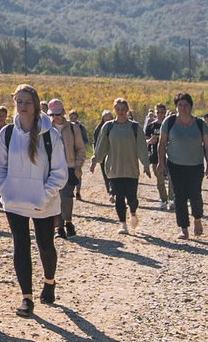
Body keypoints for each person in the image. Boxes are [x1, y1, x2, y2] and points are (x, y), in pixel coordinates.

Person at [0, 84, 68, 314]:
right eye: (19, 102)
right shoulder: (8, 133)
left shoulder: (50, 135)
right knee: (21, 246)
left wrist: (44, 195)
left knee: (45, 245)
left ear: (35, 105)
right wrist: (6, 190)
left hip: (44, 203)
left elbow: (59, 172)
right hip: (15, 202)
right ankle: (27, 298)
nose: (23, 107)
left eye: (27, 102)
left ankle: (49, 282)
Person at [160, 90, 208, 239]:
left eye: (185, 105)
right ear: (176, 106)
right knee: (179, 196)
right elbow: (162, 143)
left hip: (195, 165)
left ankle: (197, 219)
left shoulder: (199, 124)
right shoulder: (169, 122)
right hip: (175, 164)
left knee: (195, 195)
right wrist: (161, 162)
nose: (182, 108)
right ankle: (183, 228)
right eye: (180, 105)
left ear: (191, 106)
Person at [91, 94, 144, 233]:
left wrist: (146, 164)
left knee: (132, 198)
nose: (120, 111)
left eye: (123, 109)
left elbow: (141, 147)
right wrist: (94, 161)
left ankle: (133, 212)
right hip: (114, 169)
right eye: (118, 109)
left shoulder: (135, 127)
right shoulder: (108, 127)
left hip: (131, 169)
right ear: (114, 110)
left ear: (127, 110)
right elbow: (101, 146)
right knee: (119, 197)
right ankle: (123, 224)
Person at [47, 96, 89, 239]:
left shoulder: (73, 128)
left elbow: (80, 148)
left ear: (63, 112)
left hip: (68, 166)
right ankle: (59, 227)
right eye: (52, 114)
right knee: (54, 196)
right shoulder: (46, 128)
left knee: (66, 195)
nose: (55, 117)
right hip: (51, 168)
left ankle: (68, 222)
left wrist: (78, 166)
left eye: (58, 114)